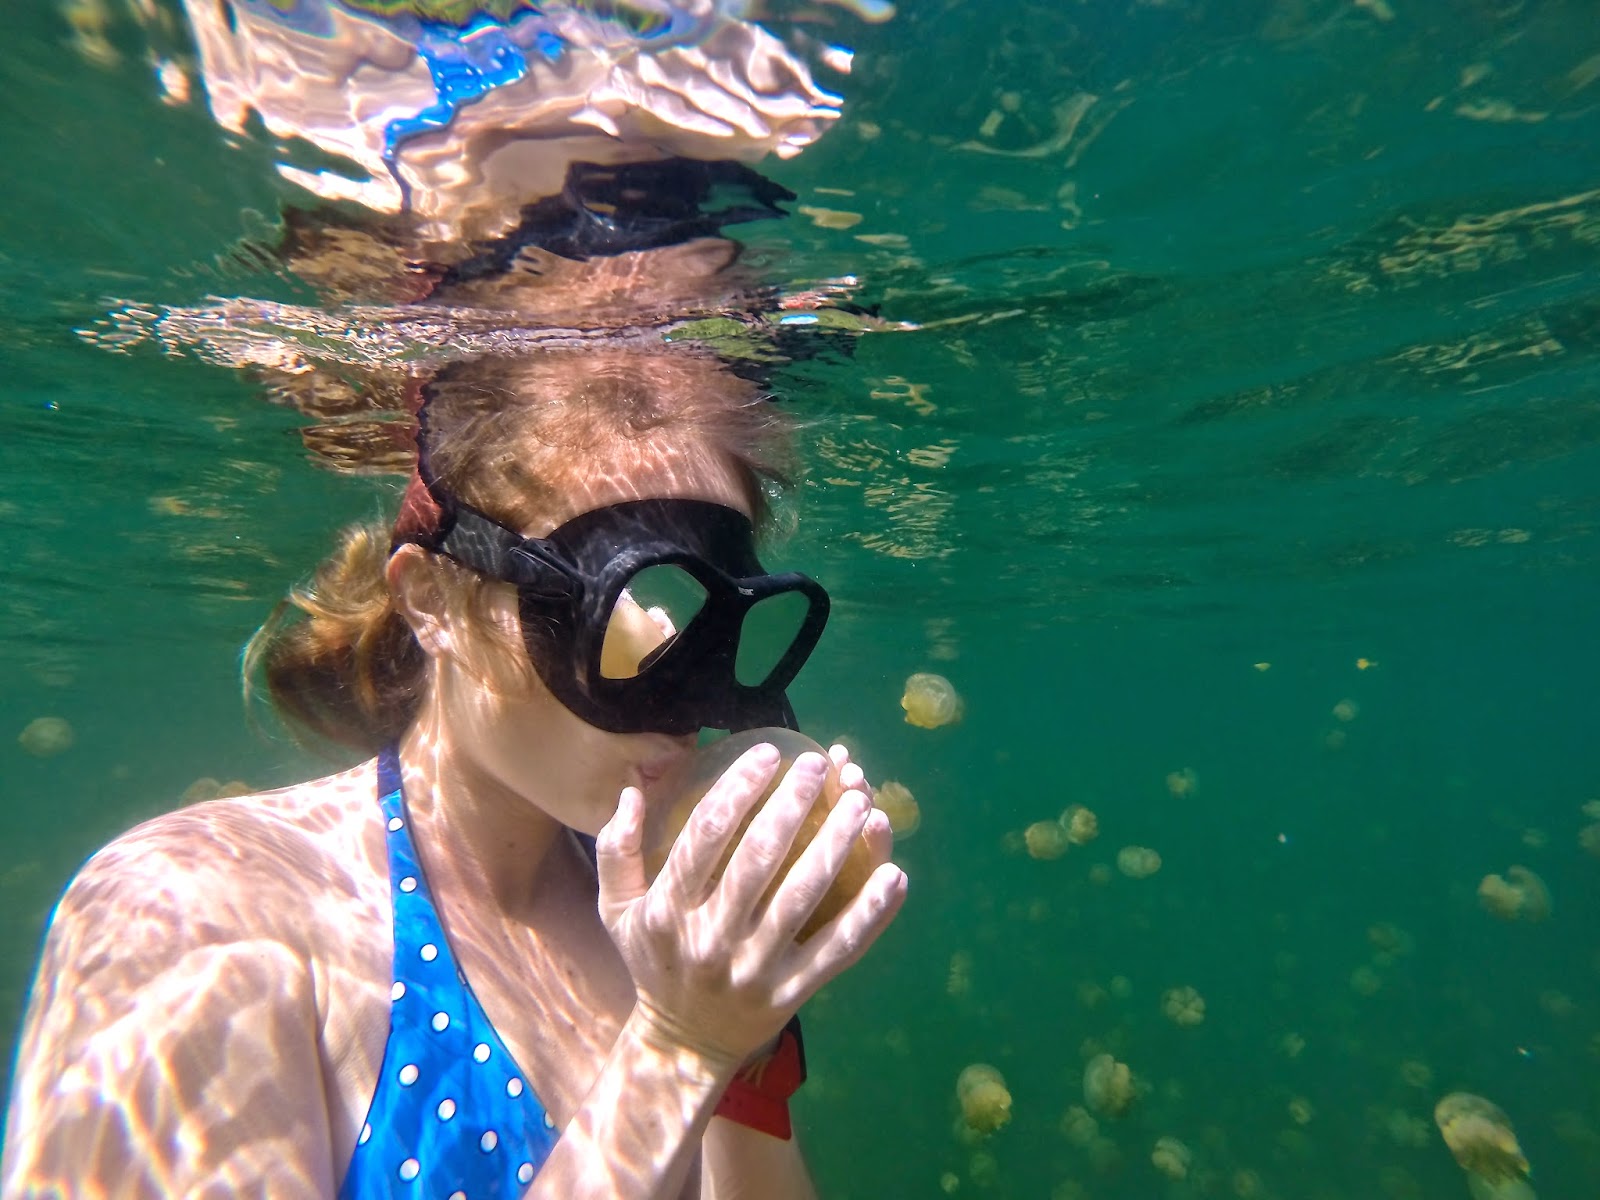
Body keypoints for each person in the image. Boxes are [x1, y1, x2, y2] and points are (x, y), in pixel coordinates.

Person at [2, 349, 908, 1198]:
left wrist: (743, 1035)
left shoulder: (675, 936)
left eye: (721, 624)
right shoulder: (193, 914)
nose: (688, 688)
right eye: (621, 600)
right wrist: (678, 1050)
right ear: (434, 601)